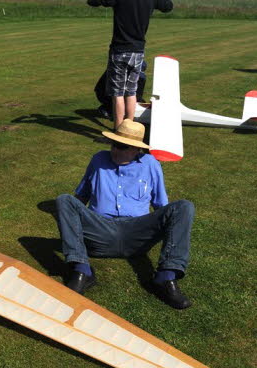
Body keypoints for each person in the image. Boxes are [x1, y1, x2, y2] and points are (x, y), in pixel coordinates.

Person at [54, 119, 194, 309]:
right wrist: (71, 224)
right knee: (64, 200)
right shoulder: (98, 160)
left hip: (136, 234)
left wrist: (164, 227)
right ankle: (81, 270)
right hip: (100, 232)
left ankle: (165, 276)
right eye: (114, 144)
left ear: (137, 150)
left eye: (122, 146)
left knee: (183, 207)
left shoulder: (150, 164)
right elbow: (80, 198)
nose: (115, 150)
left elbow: (162, 206)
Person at [87, 0, 173, 130]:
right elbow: (167, 6)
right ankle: (128, 130)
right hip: (138, 50)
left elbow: (93, 2)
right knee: (131, 92)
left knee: (117, 94)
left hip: (120, 50)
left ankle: (118, 132)